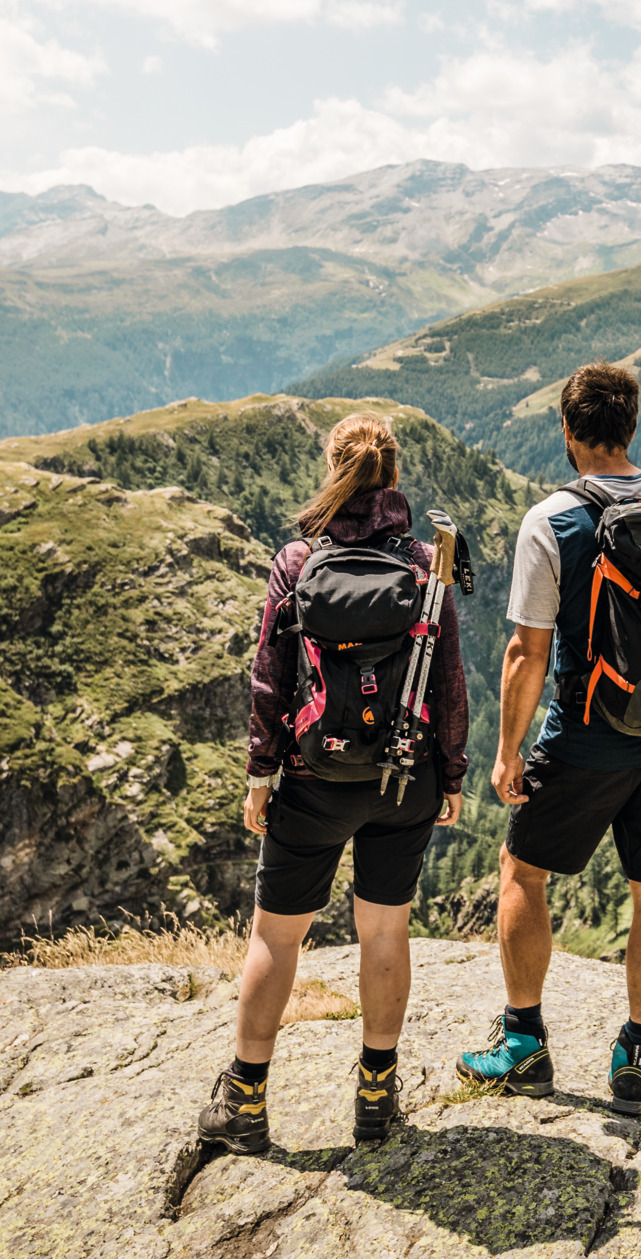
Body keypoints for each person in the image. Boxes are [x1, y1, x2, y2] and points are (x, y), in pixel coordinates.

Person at [198, 413, 468, 1154]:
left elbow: (268, 678)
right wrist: (451, 772)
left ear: (333, 468)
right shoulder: (424, 562)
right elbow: (448, 680)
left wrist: (262, 773)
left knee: (276, 938)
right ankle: (376, 1096)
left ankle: (245, 1102)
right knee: (384, 929)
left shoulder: (296, 560)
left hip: (313, 778)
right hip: (401, 777)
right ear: (394, 475)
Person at [457, 362, 641, 1116]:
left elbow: (527, 652)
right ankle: (638, 1052)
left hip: (589, 733)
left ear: (568, 430)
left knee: (523, 868)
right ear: (630, 427)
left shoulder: (552, 520)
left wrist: (508, 749)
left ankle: (523, 1042)